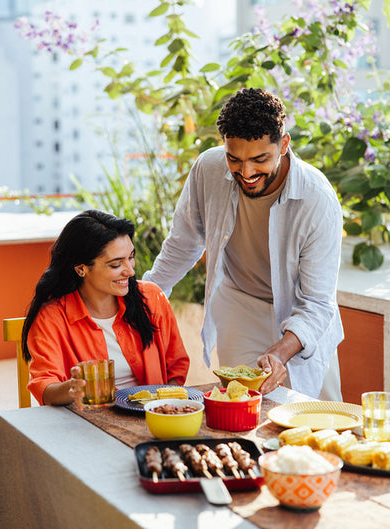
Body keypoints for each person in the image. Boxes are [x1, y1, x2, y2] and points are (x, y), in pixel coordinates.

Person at [143, 88, 344, 401]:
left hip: (301, 313)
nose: (246, 173)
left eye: (260, 159)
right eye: (234, 159)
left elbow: (317, 303)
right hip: (240, 304)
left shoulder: (317, 198)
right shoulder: (207, 169)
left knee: (317, 416)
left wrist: (280, 351)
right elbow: (182, 245)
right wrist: (143, 298)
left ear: (284, 145)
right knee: (240, 408)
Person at [22, 210, 190, 406]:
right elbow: (45, 386)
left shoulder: (151, 298)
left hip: (154, 418)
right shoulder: (52, 317)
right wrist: (73, 387)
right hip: (89, 423)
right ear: (81, 269)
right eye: (116, 264)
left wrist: (164, 407)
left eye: (131, 257)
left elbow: (176, 367)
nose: (130, 270)